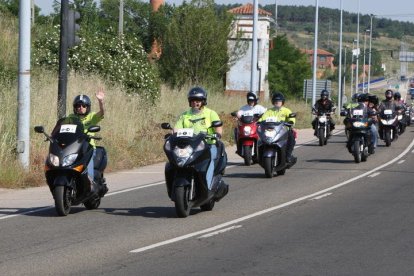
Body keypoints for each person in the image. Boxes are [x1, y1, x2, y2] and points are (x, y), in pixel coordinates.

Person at [174, 87, 228, 194]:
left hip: (208, 145)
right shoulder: (185, 115)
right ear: (190, 102)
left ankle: (209, 185)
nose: (195, 103)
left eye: (198, 101)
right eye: (193, 101)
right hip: (190, 146)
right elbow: (176, 129)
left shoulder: (210, 113)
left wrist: (217, 134)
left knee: (210, 159)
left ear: (203, 101)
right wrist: (173, 136)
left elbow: (218, 126)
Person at [67, 89, 107, 195]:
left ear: (87, 107)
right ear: (75, 107)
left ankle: (91, 184)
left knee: (89, 171)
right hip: (74, 147)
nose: (81, 108)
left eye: (83, 106)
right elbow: (62, 128)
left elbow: (102, 112)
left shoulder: (91, 117)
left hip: (88, 147)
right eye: (78, 106)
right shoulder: (71, 117)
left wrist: (101, 102)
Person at [259, 92, 297, 165]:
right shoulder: (269, 111)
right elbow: (263, 118)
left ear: (282, 102)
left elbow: (291, 117)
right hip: (271, 131)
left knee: (291, 139)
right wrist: (259, 122)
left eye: (279, 101)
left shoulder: (286, 110)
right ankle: (260, 157)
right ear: (273, 102)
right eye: (276, 101)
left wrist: (291, 122)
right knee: (260, 141)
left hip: (283, 131)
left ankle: (288, 156)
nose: (277, 102)